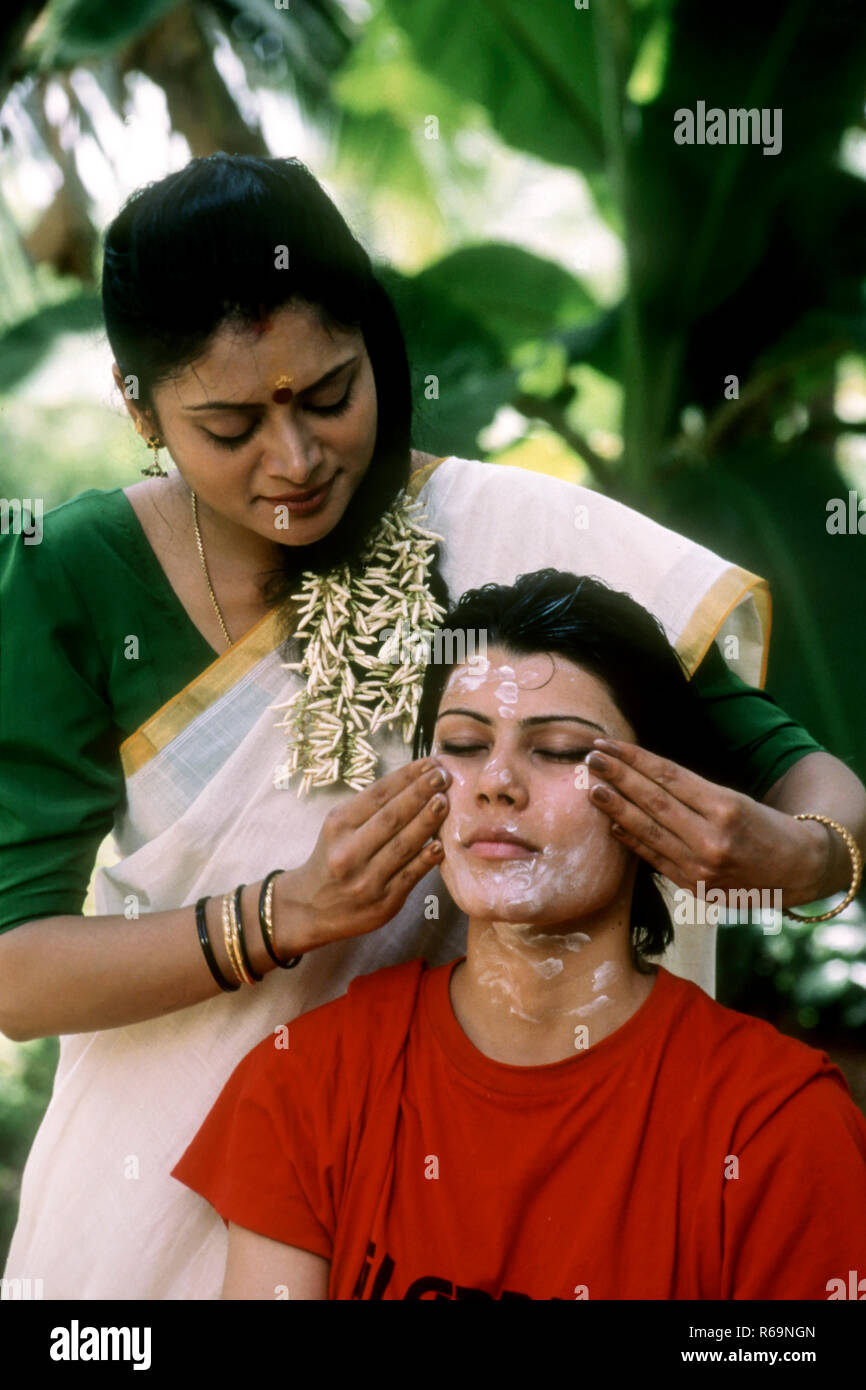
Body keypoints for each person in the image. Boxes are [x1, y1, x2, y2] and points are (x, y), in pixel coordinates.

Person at [0, 154, 863, 1301]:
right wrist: (282, 915)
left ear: (377, 342)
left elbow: (805, 779)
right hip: (144, 1198)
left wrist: (801, 857)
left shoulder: (505, 535)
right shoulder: (73, 575)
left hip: (436, 1201)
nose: (296, 460)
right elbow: (15, 971)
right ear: (138, 406)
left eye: (327, 395)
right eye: (229, 425)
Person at [171, 570, 866, 1300]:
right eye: (464, 744)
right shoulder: (310, 1082)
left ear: (665, 798)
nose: (495, 781)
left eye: (561, 749)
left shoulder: (777, 1123)